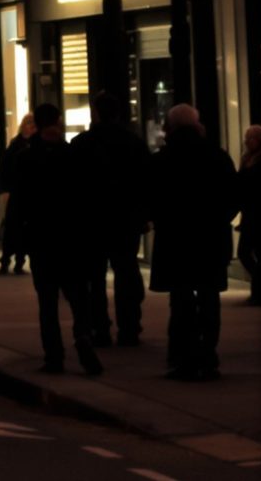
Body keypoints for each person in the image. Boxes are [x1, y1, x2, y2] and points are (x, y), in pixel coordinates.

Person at [149, 104, 238, 381]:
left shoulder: (163, 159)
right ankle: (208, 355)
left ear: (170, 127)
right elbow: (233, 197)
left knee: (181, 300)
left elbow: (151, 199)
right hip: (210, 239)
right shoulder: (217, 157)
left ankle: (183, 356)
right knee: (209, 299)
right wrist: (218, 220)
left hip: (176, 240)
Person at [12, 105, 102, 375]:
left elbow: (19, 202)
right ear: (59, 123)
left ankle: (54, 355)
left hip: (42, 238)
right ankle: (83, 336)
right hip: (72, 238)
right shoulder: (73, 154)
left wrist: (20, 239)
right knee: (78, 297)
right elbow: (88, 197)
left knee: (47, 302)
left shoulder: (26, 158)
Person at [72, 92, 152, 344]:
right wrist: (144, 215)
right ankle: (129, 326)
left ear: (95, 113)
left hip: (92, 219)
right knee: (126, 271)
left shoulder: (82, 143)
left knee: (94, 277)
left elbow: (73, 186)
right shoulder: (133, 143)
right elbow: (144, 182)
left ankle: (100, 327)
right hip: (124, 219)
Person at [0, 111, 40, 276]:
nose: (31, 127)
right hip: (17, 194)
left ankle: (19, 260)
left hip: (28, 194)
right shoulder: (16, 145)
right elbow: (6, 170)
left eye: (34, 124)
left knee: (22, 230)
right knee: (12, 228)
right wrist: (5, 190)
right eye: (29, 124)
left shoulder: (35, 146)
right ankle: (6, 259)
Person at [238, 125, 261, 307]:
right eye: (247, 138)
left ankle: (260, 290)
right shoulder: (247, 158)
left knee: (259, 253)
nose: (248, 142)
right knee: (246, 252)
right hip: (250, 213)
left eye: (252, 138)